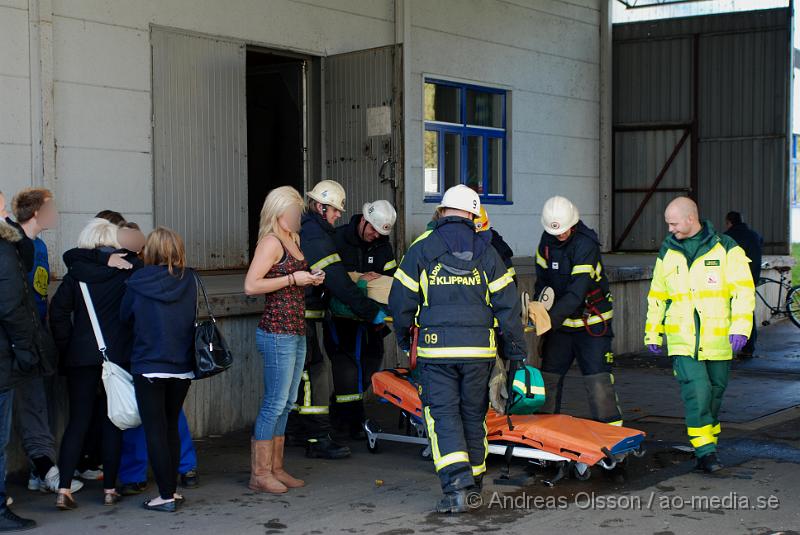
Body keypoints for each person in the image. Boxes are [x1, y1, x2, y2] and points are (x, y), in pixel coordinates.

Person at [388, 185, 527, 513]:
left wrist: (404, 338)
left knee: (442, 415)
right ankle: (475, 483)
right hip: (480, 352)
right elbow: (508, 307)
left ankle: (458, 487)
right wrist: (516, 353)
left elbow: (400, 299)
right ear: (473, 214)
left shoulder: (422, 248)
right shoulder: (487, 250)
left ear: (442, 210)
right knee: (473, 415)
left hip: (437, 352)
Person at [645, 197, 755, 473]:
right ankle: (705, 451)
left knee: (714, 394)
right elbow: (657, 296)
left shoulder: (728, 249)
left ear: (690, 219)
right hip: (683, 340)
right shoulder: (667, 252)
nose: (670, 229)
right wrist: (652, 333)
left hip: (718, 341)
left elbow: (743, 292)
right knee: (698, 391)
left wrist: (741, 328)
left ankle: (707, 440)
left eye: (673, 223)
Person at [49, 218, 142, 509]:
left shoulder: (76, 274)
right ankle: (110, 489)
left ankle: (64, 488)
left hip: (81, 358)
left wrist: (68, 347)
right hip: (117, 356)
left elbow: (59, 315)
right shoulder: (128, 271)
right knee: (112, 422)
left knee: (77, 421)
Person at [288, 180, 374, 460]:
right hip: (302, 317)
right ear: (320, 207)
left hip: (301, 315)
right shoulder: (315, 236)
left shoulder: (311, 230)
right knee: (314, 374)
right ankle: (317, 438)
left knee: (302, 377)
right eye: (335, 210)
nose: (339, 215)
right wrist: (370, 310)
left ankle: (297, 430)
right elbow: (336, 279)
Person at [244, 186, 321, 493]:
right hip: (277, 331)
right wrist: (293, 278)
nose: (297, 218)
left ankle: (275, 467)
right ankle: (260, 474)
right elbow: (251, 285)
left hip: (295, 328)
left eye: (297, 213)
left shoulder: (294, 239)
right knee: (275, 403)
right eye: (292, 213)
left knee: (288, 402)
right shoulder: (271, 242)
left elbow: (292, 280)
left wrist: (311, 277)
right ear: (278, 214)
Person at [120, 227, 197, 512]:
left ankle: (165, 495)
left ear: (148, 251)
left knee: (154, 431)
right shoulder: (189, 278)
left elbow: (124, 317)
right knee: (171, 427)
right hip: (182, 367)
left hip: (148, 365)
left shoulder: (136, 280)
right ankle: (172, 491)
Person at [5, 188, 75, 496]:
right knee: (30, 403)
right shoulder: (13, 244)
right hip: (17, 340)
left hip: (36, 335)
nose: (56, 212)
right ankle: (46, 469)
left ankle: (42, 468)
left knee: (39, 402)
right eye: (51, 207)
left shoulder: (41, 247)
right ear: (37, 213)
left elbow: (40, 291)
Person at [534, 196, 622, 427]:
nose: (560, 235)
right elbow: (542, 283)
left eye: (563, 231)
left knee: (598, 382)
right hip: (560, 326)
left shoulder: (586, 244)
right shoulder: (546, 242)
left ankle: (612, 442)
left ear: (573, 223)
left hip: (591, 323)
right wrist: (536, 308)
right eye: (556, 232)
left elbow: (577, 292)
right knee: (548, 381)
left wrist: (547, 320)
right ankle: (545, 439)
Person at [0, 208, 53, 530]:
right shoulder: (6, 251)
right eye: (2, 208)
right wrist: (27, 351)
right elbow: (11, 307)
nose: (7, 214)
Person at [326, 200, 397, 439]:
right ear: (364, 219)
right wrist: (358, 281)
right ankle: (347, 423)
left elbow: (392, 281)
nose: (375, 235)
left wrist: (380, 278)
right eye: (372, 229)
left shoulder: (383, 247)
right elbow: (333, 280)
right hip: (342, 317)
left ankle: (345, 415)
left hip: (372, 321)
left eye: (380, 232)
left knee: (369, 365)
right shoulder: (337, 239)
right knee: (347, 368)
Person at [724, 211, 763, 357]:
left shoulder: (727, 237)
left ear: (729, 222)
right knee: (747, 311)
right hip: (751, 279)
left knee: (727, 311)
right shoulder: (755, 235)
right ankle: (748, 347)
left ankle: (727, 346)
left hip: (732, 279)